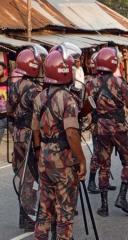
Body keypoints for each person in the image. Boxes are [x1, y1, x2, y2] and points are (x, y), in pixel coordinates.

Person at [32, 43, 86, 240]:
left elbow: (35, 128)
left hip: (44, 159)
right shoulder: (68, 99)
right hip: (63, 162)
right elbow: (72, 134)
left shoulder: (40, 97)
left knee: (44, 209)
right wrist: (81, 160)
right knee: (65, 212)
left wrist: (39, 150)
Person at [86, 47, 128, 217]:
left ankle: (104, 206)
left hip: (100, 129)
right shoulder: (120, 83)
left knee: (103, 167)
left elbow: (88, 106)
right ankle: (121, 197)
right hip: (118, 128)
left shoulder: (90, 83)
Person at [7, 45, 48, 231]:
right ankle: (29, 216)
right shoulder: (34, 90)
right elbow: (39, 118)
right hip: (30, 137)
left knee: (22, 174)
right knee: (29, 178)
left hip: (17, 135)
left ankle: (28, 214)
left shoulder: (14, 86)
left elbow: (8, 110)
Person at [85, 52, 117, 194]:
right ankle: (91, 181)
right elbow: (85, 104)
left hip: (108, 123)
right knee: (97, 153)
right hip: (96, 122)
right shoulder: (89, 82)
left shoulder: (103, 80)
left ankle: (104, 180)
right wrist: (90, 120)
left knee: (107, 153)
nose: (93, 67)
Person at [0, 62, 8, 143]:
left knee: (18, 142)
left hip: (10, 117)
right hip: (0, 118)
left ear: (4, 70)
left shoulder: (10, 82)